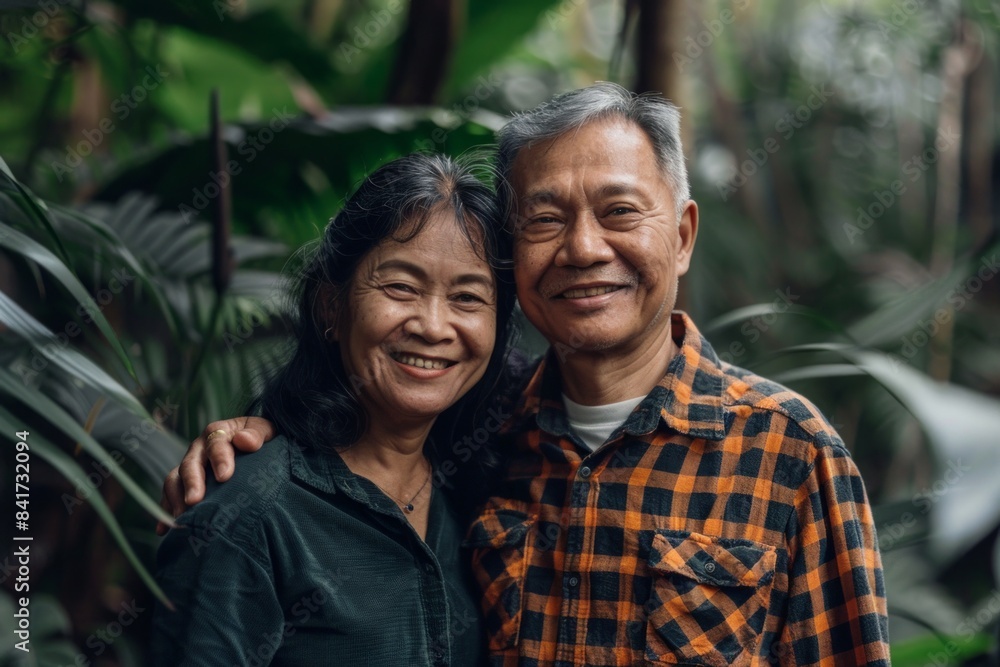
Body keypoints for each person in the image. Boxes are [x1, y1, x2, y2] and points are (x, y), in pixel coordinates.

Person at [164, 84, 891, 666]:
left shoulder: (791, 455)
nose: (582, 247)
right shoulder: (483, 441)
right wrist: (260, 433)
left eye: (618, 211)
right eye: (545, 219)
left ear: (683, 235)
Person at [151, 152, 517, 666]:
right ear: (331, 306)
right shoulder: (247, 518)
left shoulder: (480, 483)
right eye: (400, 287)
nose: (434, 326)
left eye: (468, 298)